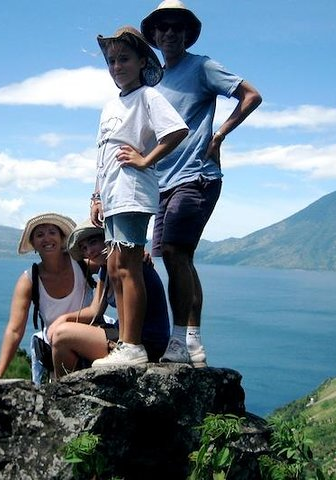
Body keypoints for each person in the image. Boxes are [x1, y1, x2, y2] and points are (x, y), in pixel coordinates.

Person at [140, 1, 263, 366]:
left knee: (177, 254)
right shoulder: (155, 78)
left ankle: (182, 340)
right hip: (164, 181)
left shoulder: (202, 66)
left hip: (197, 176)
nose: (170, 33)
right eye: (163, 27)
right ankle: (190, 341)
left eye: (177, 27)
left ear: (187, 33)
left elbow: (251, 95)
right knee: (176, 258)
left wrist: (219, 134)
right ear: (155, 34)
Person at [90, 26, 188, 367]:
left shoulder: (148, 96)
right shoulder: (110, 106)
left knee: (129, 266)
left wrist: (146, 159)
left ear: (143, 61)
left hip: (132, 191)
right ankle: (125, 342)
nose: (117, 66)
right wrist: (97, 195)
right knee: (115, 266)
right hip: (114, 194)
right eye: (112, 60)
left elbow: (176, 130)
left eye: (124, 59)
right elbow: (102, 153)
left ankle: (133, 345)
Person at [0, 213, 93, 384]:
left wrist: (139, 258)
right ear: (34, 244)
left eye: (52, 232)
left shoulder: (82, 264)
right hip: (58, 347)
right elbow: (15, 329)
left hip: (90, 337)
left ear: (62, 238)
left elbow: (114, 266)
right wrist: (0, 370)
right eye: (40, 235)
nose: (47, 238)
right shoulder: (29, 280)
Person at [47, 220, 170, 377]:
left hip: (146, 341)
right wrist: (64, 318)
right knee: (63, 330)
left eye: (93, 242)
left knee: (61, 335)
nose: (89, 251)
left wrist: (62, 325)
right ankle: (71, 387)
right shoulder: (106, 270)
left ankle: (62, 390)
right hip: (124, 336)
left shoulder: (131, 264)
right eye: (84, 248)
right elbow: (94, 311)